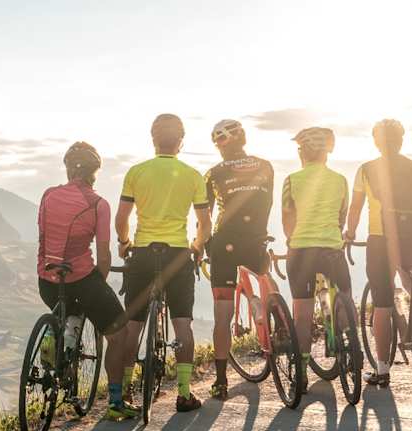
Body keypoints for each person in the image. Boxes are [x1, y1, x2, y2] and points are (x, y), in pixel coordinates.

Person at [114, 113, 212, 413]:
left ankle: (128, 392)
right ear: (180, 142)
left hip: (143, 253)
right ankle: (184, 393)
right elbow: (205, 224)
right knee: (182, 323)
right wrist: (196, 247)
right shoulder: (193, 175)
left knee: (133, 326)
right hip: (178, 254)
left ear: (153, 139)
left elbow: (122, 218)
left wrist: (124, 242)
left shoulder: (136, 172)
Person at [37, 142, 137, 420]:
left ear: (68, 169)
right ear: (95, 173)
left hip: (46, 279)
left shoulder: (48, 195)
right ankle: (116, 403)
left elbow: (44, 239)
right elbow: (103, 256)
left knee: (65, 306)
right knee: (120, 336)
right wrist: (99, 286)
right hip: (81, 279)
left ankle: (56, 338)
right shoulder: (98, 205)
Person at [344, 119, 412, 387]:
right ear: (401, 140)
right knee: (408, 273)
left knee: (381, 304)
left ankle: (381, 370)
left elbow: (356, 208)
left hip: (380, 239)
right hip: (410, 235)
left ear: (377, 142)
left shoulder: (367, 170)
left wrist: (349, 233)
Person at [203, 119, 275, 399]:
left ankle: (220, 382)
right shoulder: (266, 166)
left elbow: (204, 217)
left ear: (221, 145)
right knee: (265, 276)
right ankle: (269, 312)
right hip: (257, 237)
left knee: (223, 314)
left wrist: (203, 245)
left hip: (225, 243)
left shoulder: (213, 173)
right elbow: (266, 203)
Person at [280, 126, 352, 391]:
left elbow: (288, 220)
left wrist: (292, 238)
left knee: (302, 315)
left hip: (301, 252)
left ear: (303, 152)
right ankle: (351, 342)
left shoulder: (291, 180)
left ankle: (300, 371)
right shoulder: (341, 180)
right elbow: (341, 216)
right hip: (332, 250)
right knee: (344, 296)